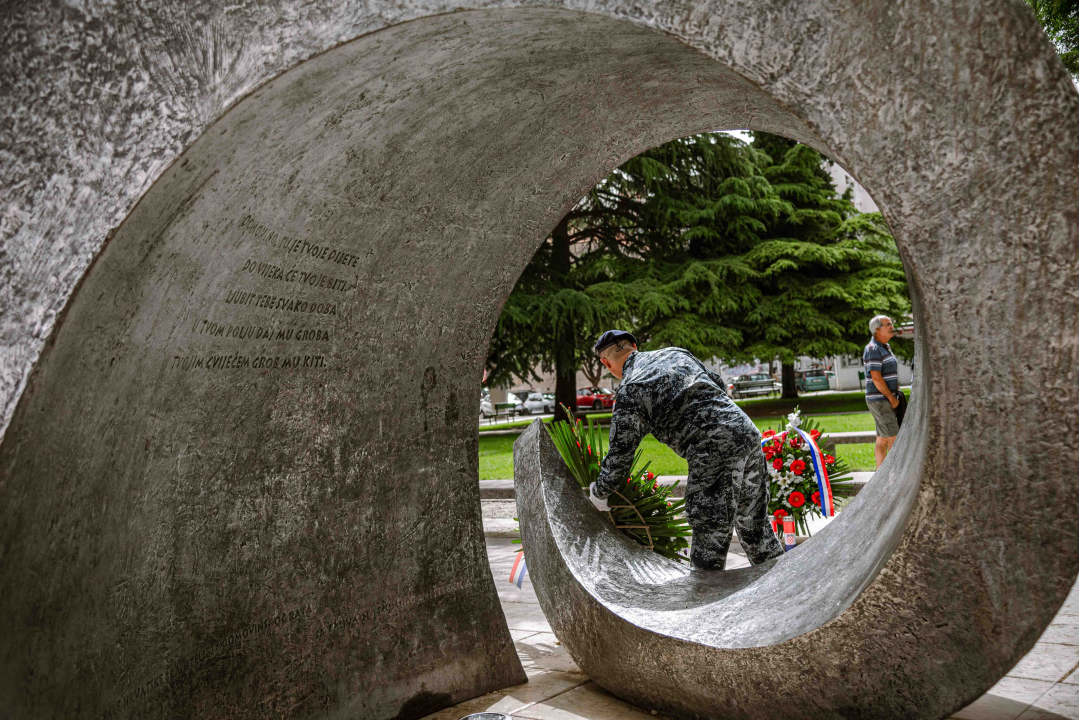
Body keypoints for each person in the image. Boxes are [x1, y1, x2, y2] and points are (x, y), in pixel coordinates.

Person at [585, 330, 784, 570]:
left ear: (605, 363)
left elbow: (619, 455)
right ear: (634, 346)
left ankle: (707, 601)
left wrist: (599, 492)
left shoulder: (630, 388)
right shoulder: (675, 353)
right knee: (756, 529)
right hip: (746, 433)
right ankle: (787, 595)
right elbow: (717, 383)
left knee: (710, 540)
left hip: (712, 450)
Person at [863, 315, 901, 468]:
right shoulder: (873, 349)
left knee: (883, 438)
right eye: (888, 324)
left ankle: (879, 475)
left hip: (882, 399)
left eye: (892, 323)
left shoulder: (885, 347)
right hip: (880, 400)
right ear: (877, 329)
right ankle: (893, 477)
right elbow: (876, 378)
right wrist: (891, 399)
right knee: (893, 436)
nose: (892, 326)